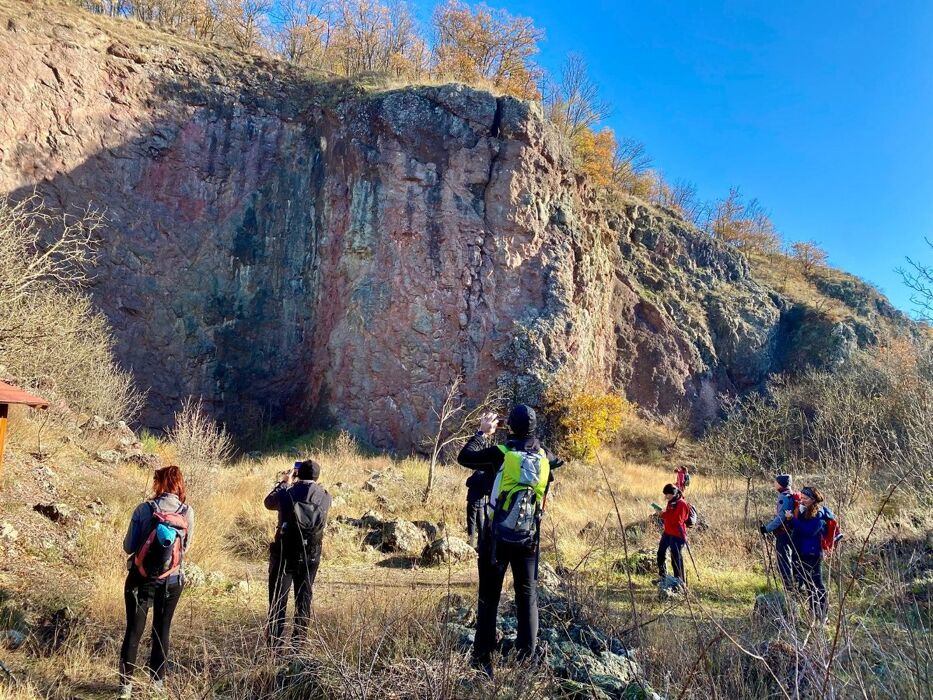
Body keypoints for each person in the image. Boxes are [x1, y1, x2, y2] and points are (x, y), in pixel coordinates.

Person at [457, 404, 561, 678]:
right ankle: (528, 660)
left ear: (509, 427)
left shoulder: (501, 455)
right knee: (527, 597)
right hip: (529, 539)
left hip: (496, 539)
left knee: (489, 598)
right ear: (534, 427)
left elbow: (464, 457)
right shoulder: (544, 456)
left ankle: (483, 663)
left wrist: (483, 433)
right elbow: (557, 461)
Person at [119, 465, 194, 699]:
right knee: (162, 630)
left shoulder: (143, 509)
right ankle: (157, 686)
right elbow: (186, 548)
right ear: (179, 484)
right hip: (171, 580)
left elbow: (128, 546)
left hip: (140, 579)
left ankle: (125, 688)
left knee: (134, 631)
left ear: (158, 483)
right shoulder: (187, 511)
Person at [264, 458, 332, 649]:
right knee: (303, 599)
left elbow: (268, 503)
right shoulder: (326, 497)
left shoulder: (287, 493)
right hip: (311, 554)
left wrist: (284, 482)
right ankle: (298, 648)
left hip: (284, 554)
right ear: (317, 477)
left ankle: (274, 649)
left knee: (278, 600)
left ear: (298, 473)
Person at [785, 486, 828, 620]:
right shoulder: (805, 511)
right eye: (801, 498)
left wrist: (793, 519)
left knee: (817, 584)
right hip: (802, 552)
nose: (802, 500)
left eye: (805, 498)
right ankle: (813, 612)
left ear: (812, 499)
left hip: (813, 554)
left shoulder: (819, 514)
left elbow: (809, 531)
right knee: (809, 585)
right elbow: (798, 529)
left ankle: (823, 615)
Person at [760, 473, 797, 590]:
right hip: (792, 531)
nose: (774, 484)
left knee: (784, 559)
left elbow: (781, 517)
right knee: (791, 558)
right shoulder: (791, 494)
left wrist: (767, 528)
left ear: (780, 484)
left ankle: (789, 588)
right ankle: (795, 585)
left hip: (783, 532)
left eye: (776, 482)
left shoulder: (783, 497)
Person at [656, 484, 690, 585]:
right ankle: (662, 576)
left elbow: (677, 521)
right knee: (660, 553)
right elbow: (669, 516)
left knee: (676, 558)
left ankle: (679, 581)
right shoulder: (671, 502)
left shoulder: (682, 504)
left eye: (667, 495)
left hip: (678, 535)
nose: (666, 497)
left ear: (673, 494)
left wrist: (663, 514)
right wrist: (663, 514)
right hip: (667, 533)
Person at [465, 470, 491, 548]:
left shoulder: (477, 473)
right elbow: (487, 491)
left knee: (472, 523)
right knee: (481, 525)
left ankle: (471, 544)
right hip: (481, 504)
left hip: (473, 501)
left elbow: (467, 483)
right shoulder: (486, 475)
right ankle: (480, 545)